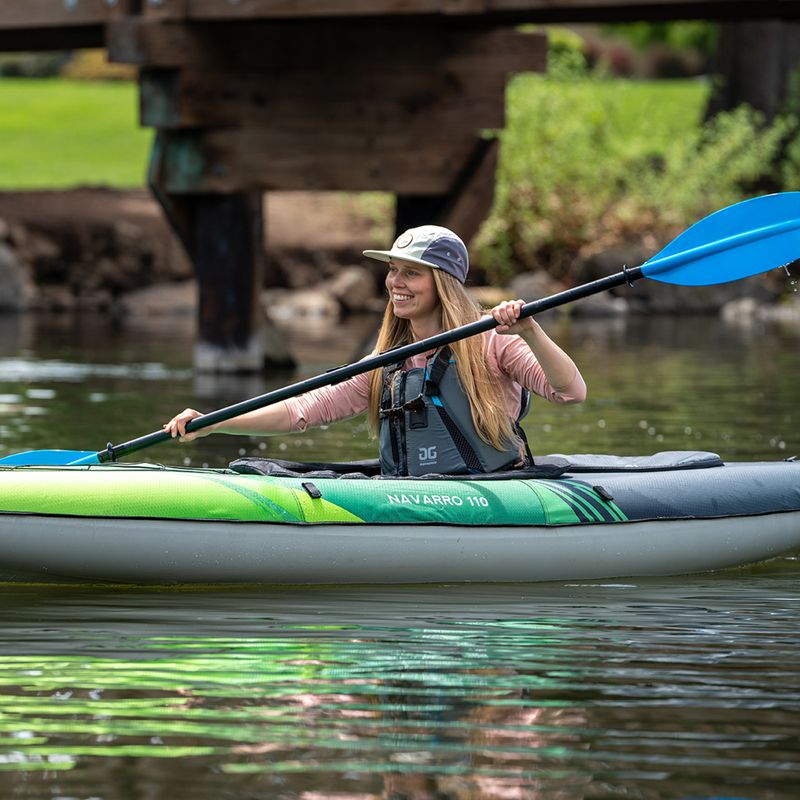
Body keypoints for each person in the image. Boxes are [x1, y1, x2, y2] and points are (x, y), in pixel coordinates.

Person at [164, 225, 586, 476]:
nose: (395, 283)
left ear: (442, 283)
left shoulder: (494, 343)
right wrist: (216, 423)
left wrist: (530, 331)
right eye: (392, 271)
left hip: (493, 494)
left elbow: (570, 392)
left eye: (411, 273)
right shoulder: (388, 362)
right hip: (409, 497)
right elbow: (300, 411)